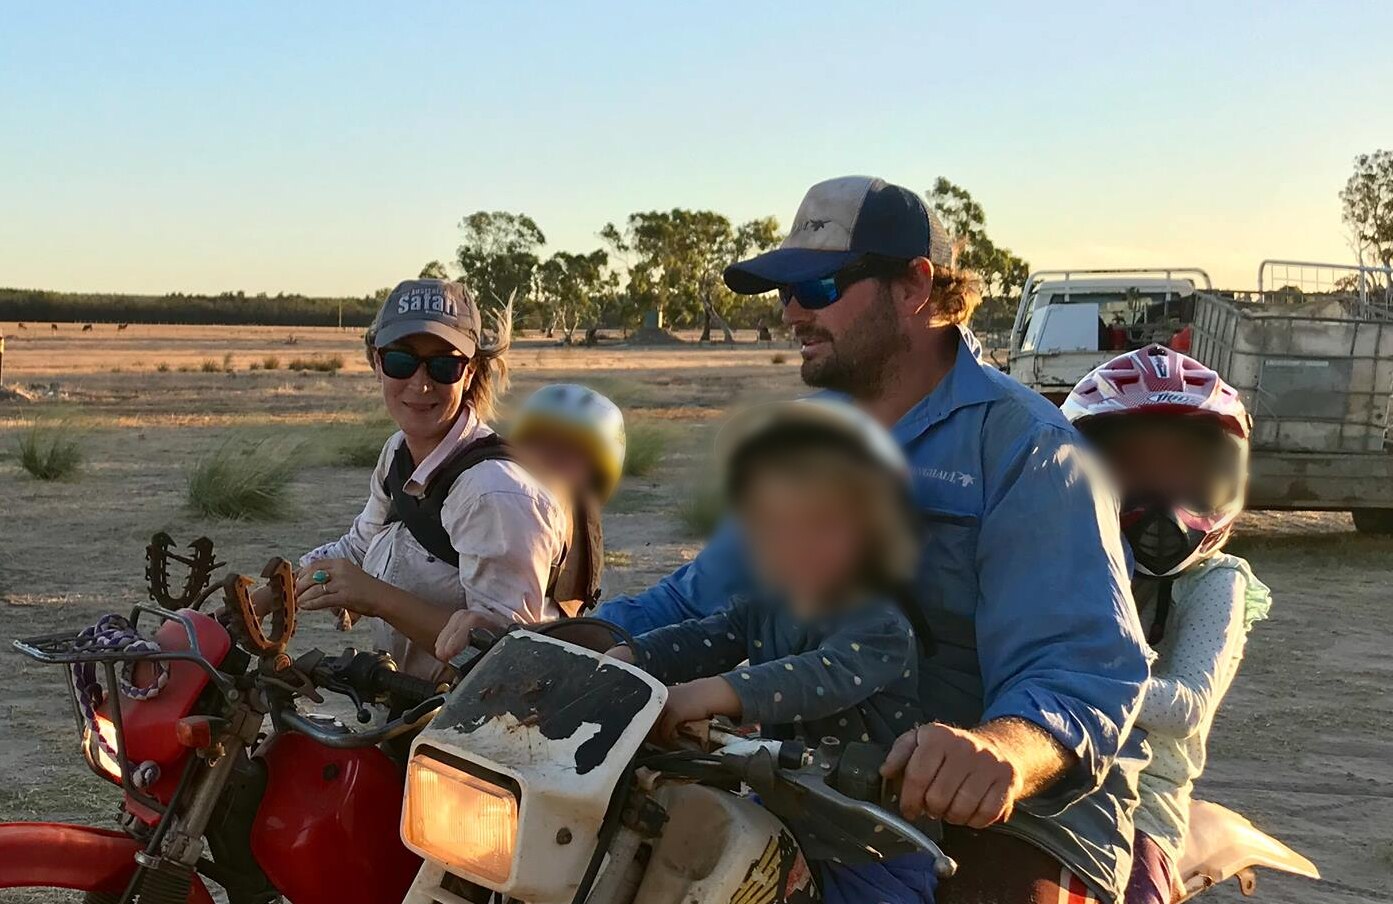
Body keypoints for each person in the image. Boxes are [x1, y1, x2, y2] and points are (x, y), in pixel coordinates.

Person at [595, 176, 1150, 902]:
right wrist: (571, 640)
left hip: (1012, 808)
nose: (791, 311)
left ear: (914, 285)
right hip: (819, 778)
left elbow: (1078, 667)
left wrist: (999, 750)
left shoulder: (1027, 447)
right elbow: (702, 598)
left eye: (818, 287)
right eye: (783, 292)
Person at [608, 398, 937, 904]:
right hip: (782, 808)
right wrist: (627, 660)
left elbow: (815, 678)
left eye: (820, 521)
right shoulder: (767, 603)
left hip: (871, 840)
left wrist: (708, 693)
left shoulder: (880, 625)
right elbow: (702, 638)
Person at [1063, 346, 1271, 904]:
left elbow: (1187, 707)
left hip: (1144, 800)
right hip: (1044, 765)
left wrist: (1064, 679)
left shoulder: (1216, 582)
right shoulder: (1063, 559)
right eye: (1132, 467)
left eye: (1181, 466)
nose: (1159, 493)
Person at [291, 279, 568, 683]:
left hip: (476, 715)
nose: (421, 384)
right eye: (400, 361)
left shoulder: (493, 493)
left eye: (443, 366)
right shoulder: (398, 454)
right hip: (408, 698)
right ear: (376, 364)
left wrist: (375, 597)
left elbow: (507, 657)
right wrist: (269, 597)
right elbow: (358, 547)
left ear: (469, 372)